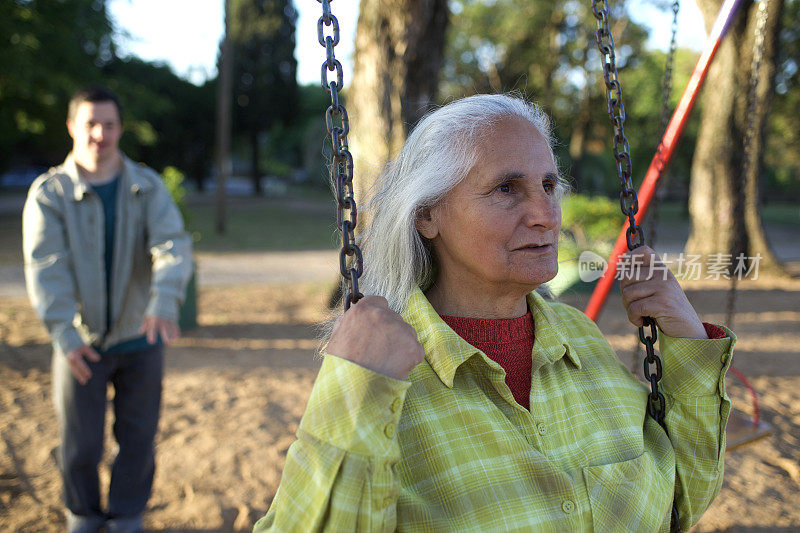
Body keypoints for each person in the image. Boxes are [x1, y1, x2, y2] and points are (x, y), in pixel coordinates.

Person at [254, 93, 735, 532]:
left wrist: (687, 339)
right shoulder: (379, 378)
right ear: (428, 215)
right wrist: (354, 392)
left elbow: (680, 502)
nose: (546, 214)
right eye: (508, 188)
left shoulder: (581, 339)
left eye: (549, 184)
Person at [22, 86, 193, 533]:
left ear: (120, 128)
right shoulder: (49, 193)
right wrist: (65, 334)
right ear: (72, 127)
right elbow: (47, 267)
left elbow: (171, 244)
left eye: (110, 124)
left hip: (142, 336)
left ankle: (126, 517)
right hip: (79, 343)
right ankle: (82, 516)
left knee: (138, 438)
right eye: (90, 124)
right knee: (80, 443)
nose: (100, 134)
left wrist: (163, 301)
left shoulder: (146, 186)